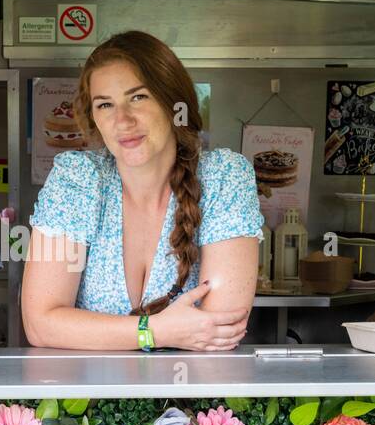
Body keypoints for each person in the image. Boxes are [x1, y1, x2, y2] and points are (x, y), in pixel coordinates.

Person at [21, 31, 262, 351]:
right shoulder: (77, 180)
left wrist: (93, 331)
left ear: (173, 101)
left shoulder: (223, 177)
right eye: (105, 104)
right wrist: (155, 331)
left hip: (193, 394)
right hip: (88, 398)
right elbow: (41, 324)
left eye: (138, 97)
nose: (123, 120)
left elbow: (218, 329)